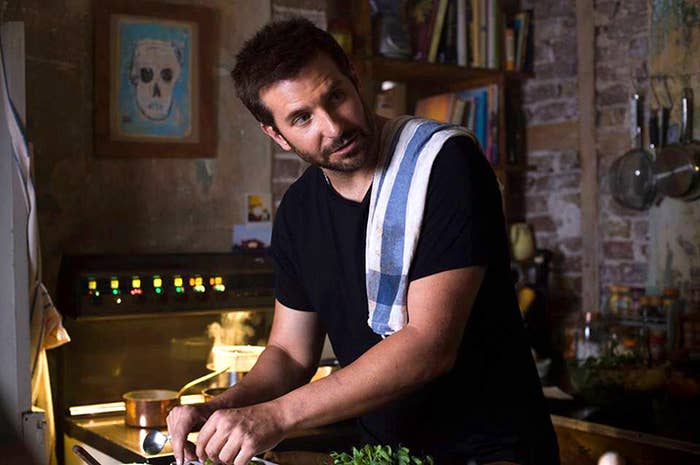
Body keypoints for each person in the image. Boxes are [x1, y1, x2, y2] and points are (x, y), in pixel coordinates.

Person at [167, 17, 559, 465]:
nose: (333, 127)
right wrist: (220, 408)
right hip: (383, 455)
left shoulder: (445, 166)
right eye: (302, 118)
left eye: (335, 96)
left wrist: (275, 417)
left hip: (490, 454)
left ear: (354, 77)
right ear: (275, 134)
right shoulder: (298, 211)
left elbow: (429, 345)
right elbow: (290, 353)